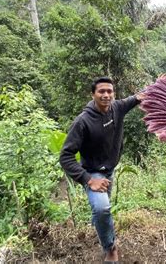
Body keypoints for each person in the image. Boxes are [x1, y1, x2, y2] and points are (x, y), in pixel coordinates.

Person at [59, 76, 145, 263]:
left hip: (110, 169)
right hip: (93, 173)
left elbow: (139, 96)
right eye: (101, 91)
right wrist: (89, 180)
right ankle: (110, 248)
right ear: (93, 94)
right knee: (102, 208)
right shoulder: (82, 121)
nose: (106, 95)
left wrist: (159, 84)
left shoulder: (118, 107)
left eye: (109, 91)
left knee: (102, 210)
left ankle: (100, 227)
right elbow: (65, 156)